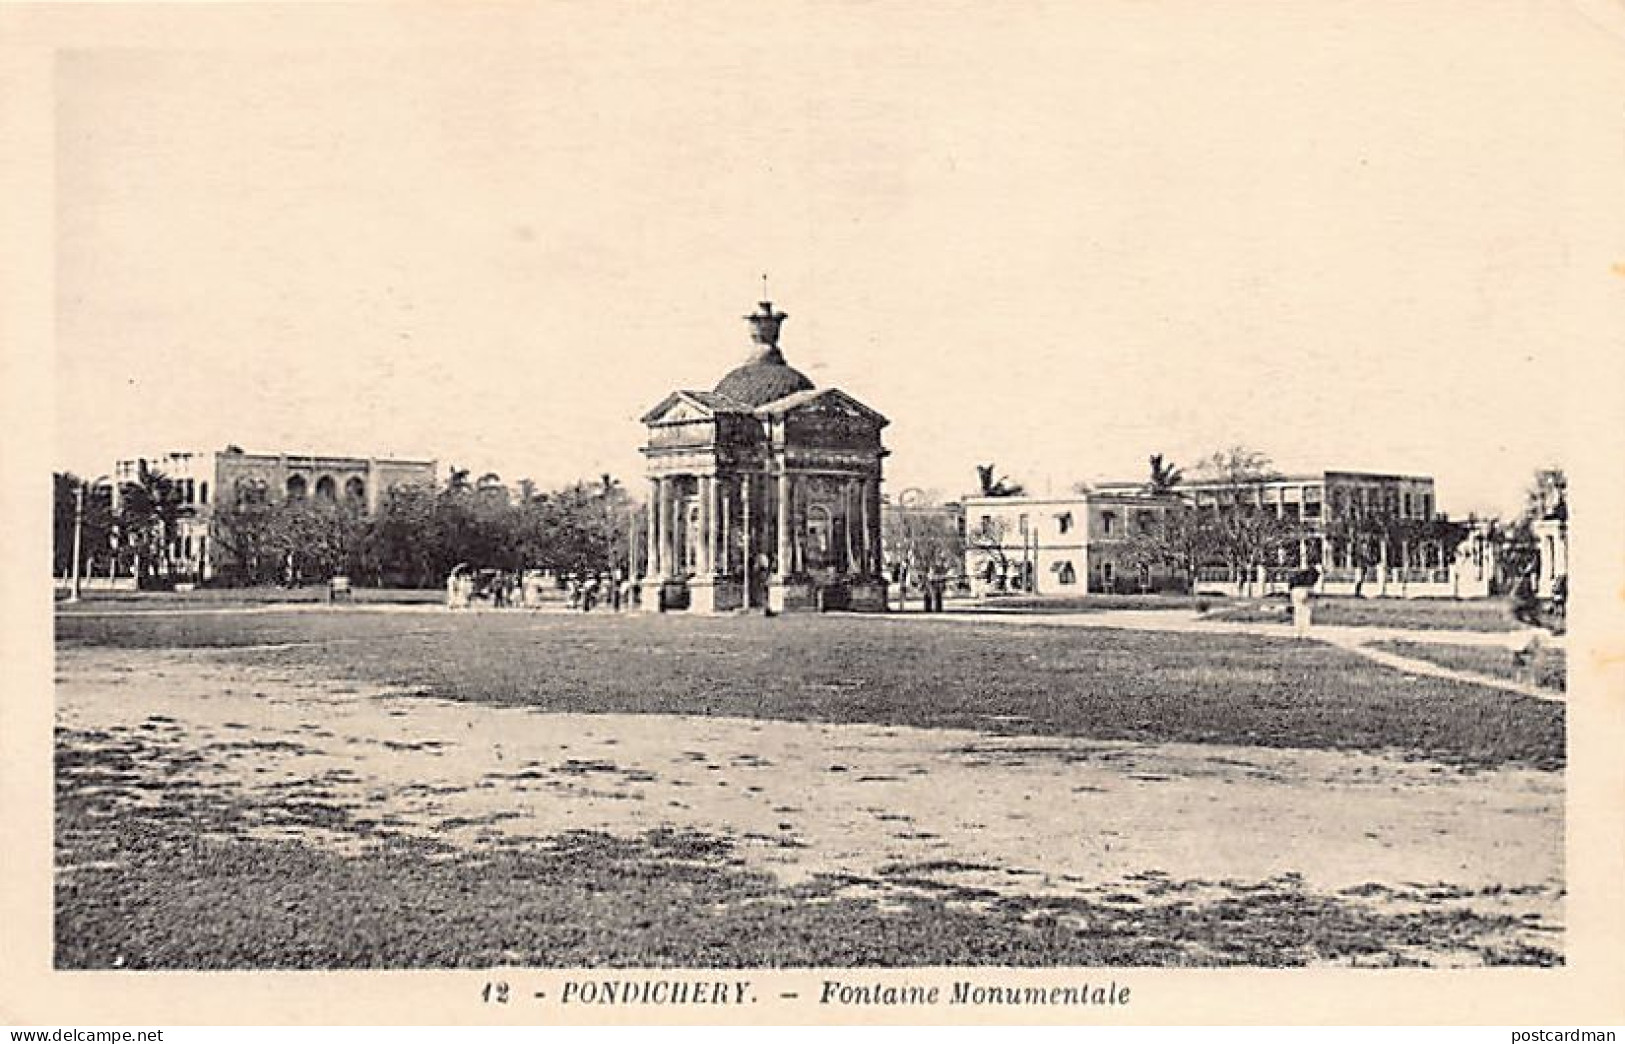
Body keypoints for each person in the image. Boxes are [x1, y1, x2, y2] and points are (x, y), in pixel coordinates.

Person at [1288, 565, 1320, 638]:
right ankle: (1305, 633)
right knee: (1306, 612)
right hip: (1304, 590)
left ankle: (1297, 633)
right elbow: (1310, 586)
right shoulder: (1313, 574)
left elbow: (1290, 585)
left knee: (1298, 612)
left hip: (1294, 591)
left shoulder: (1300, 574)